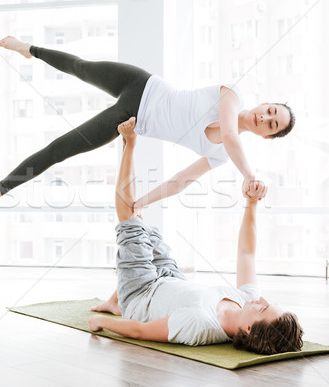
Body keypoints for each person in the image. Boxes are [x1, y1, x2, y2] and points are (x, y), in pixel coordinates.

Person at [0, 36, 296, 217]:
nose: (265, 118)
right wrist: (250, 177)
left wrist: (141, 203)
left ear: (268, 137)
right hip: (141, 84)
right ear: (263, 102)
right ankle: (28, 49)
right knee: (80, 67)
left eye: (272, 124)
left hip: (132, 120)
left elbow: (179, 181)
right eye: (270, 110)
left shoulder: (223, 156)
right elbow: (229, 134)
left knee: (62, 148)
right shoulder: (232, 96)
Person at [87, 118, 303, 354]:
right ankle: (113, 301)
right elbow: (247, 253)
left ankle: (129, 143)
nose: (261, 300)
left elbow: (141, 331)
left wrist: (102, 323)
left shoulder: (201, 326)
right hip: (171, 279)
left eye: (263, 309)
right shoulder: (247, 299)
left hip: (140, 295)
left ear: (249, 328)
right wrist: (251, 203)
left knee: (131, 220)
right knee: (147, 232)